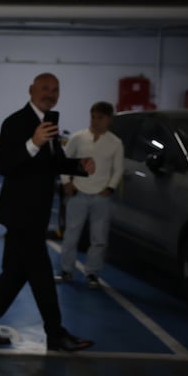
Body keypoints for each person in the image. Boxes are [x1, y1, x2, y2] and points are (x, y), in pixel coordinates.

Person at [0, 72, 96, 352]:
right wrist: (33, 142)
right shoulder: (16, 123)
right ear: (31, 90)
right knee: (41, 273)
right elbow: (6, 166)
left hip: (35, 212)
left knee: (15, 273)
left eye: (55, 90)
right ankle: (55, 333)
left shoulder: (47, 123)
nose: (50, 93)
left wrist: (78, 166)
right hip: (21, 213)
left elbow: (52, 162)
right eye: (45, 88)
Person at [56, 101, 124, 288]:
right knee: (71, 235)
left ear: (109, 119)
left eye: (100, 117)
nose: (95, 121)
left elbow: (118, 169)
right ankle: (66, 271)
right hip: (78, 193)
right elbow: (64, 162)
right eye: (93, 116)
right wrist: (66, 183)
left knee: (99, 238)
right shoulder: (78, 138)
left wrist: (110, 188)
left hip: (101, 197)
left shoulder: (115, 143)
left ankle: (92, 273)